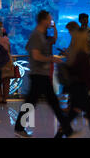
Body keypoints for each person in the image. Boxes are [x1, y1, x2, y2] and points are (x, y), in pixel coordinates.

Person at [14, 10, 74, 138]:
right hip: (38, 74)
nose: (50, 22)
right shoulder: (36, 35)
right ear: (43, 20)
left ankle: (67, 129)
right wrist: (51, 59)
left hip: (42, 74)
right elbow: (35, 55)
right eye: (49, 19)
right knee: (40, 102)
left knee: (42, 102)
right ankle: (67, 130)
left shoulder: (41, 35)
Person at [55, 30, 90, 138]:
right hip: (81, 91)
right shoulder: (83, 56)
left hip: (75, 90)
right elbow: (88, 79)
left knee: (74, 115)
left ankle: (59, 135)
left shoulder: (75, 55)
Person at [0, 32, 12, 104]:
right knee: (6, 82)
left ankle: (0, 98)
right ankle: (5, 99)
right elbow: (9, 51)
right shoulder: (7, 41)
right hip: (7, 61)